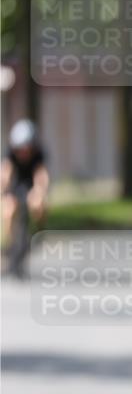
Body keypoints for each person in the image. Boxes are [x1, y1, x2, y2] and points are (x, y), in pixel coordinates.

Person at [1, 119, 49, 279]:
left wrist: (39, 191)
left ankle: (37, 232)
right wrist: (3, 191)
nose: (24, 151)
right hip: (15, 188)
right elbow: (5, 173)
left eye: (27, 147)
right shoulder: (11, 154)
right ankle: (9, 248)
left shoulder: (38, 154)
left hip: (30, 187)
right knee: (8, 211)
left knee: (37, 204)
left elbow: (41, 175)